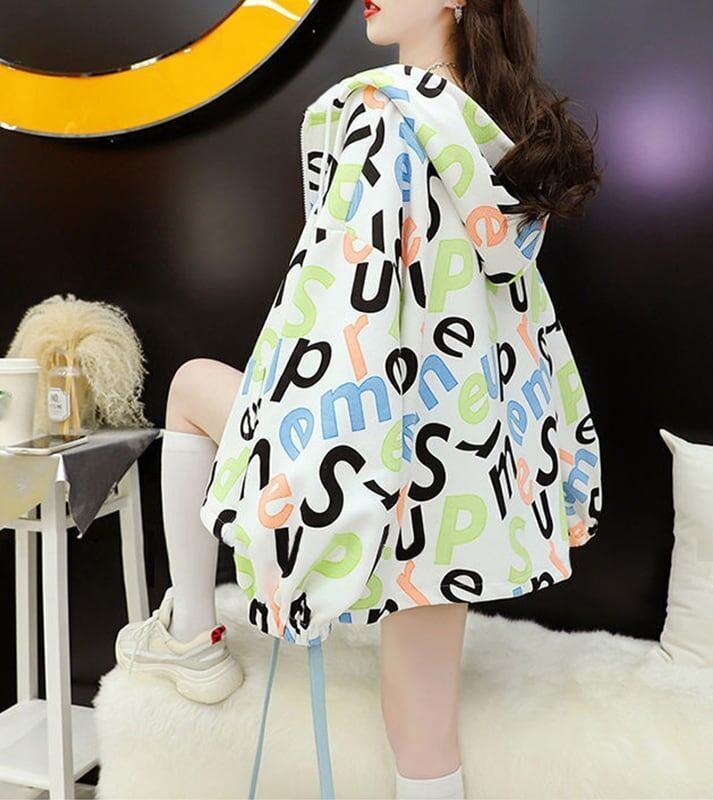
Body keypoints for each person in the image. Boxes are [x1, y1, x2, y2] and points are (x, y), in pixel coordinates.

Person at [114, 1, 603, 798]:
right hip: (465, 456)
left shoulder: (383, 115)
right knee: (424, 730)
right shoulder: (496, 133)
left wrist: (312, 434)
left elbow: (341, 299)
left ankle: (191, 634)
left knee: (191, 385)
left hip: (366, 424)